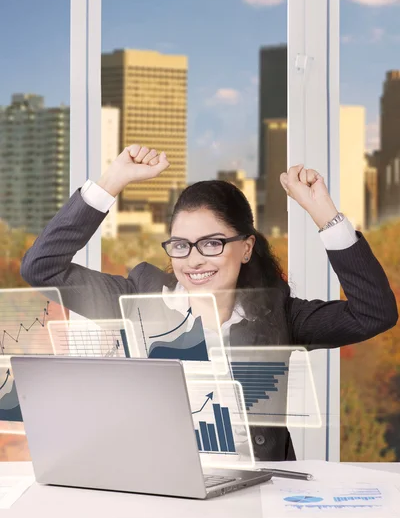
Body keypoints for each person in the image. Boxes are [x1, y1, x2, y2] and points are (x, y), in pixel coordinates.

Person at [20, 144, 398, 461]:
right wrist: (111, 183)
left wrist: (325, 216)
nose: (194, 259)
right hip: (159, 486)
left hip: (254, 497)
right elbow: (42, 268)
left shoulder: (277, 315)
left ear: (246, 248)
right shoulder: (137, 300)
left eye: (212, 243)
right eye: (181, 245)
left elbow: (373, 313)